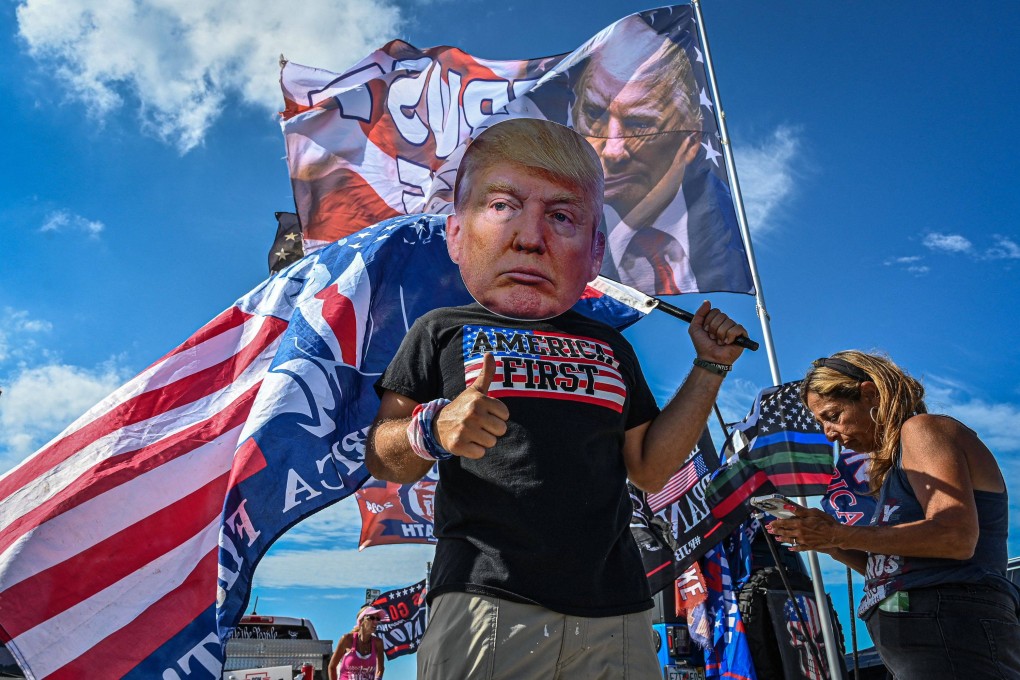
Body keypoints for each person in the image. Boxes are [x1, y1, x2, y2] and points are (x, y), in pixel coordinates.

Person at [365, 117, 749, 679]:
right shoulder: (440, 329)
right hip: (485, 599)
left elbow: (649, 469)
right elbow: (382, 454)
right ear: (454, 234)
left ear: (594, 253)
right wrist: (434, 429)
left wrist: (710, 366)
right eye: (501, 206)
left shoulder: (609, 344)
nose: (529, 237)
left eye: (562, 216)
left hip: (618, 606)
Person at [768, 351, 1020, 679]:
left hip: (953, 634)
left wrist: (840, 534)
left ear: (870, 393)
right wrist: (830, 542)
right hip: (931, 642)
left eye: (832, 415)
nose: (829, 433)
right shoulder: (893, 469)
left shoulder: (922, 430)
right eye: (821, 423)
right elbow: (891, 568)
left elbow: (955, 536)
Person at [569, 15, 752, 295]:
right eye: (593, 114)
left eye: (640, 125)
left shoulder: (719, 224)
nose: (614, 149)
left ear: (691, 139)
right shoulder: (551, 231)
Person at [327, 605, 388, 680]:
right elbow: (332, 667)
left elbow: (380, 669)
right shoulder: (347, 640)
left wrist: (378, 678)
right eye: (371, 618)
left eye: (377, 619)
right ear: (361, 621)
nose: (375, 622)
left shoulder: (378, 643)